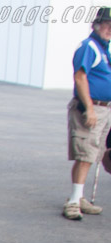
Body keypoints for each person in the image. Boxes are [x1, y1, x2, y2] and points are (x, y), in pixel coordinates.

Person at [63, 7, 111, 220]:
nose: (109, 29)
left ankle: (79, 196)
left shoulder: (104, 48)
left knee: (93, 154)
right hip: (91, 108)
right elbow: (80, 77)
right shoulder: (89, 46)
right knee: (85, 153)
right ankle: (73, 201)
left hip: (104, 109)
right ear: (96, 24)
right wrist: (89, 108)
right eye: (106, 24)